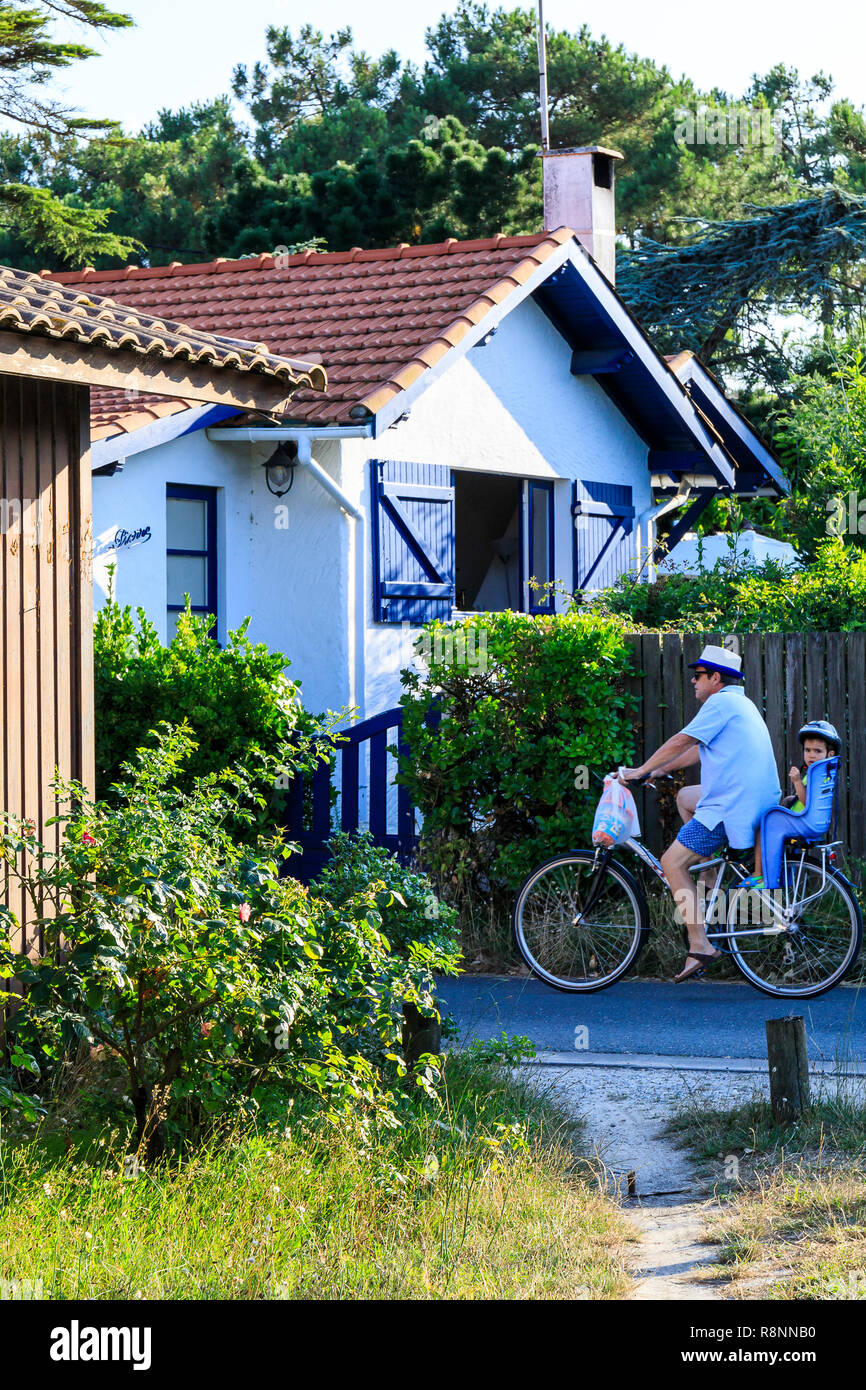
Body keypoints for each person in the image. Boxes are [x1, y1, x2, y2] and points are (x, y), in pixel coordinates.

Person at [618, 644, 781, 982]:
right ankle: (708, 874)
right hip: (751, 798)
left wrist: (638, 771)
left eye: (698, 675)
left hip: (732, 805)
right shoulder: (740, 703)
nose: (693, 681)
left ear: (716, 678)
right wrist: (657, 772)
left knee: (671, 862)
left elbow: (682, 740)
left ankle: (699, 943)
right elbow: (696, 751)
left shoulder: (720, 703)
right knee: (685, 797)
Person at [740, 720, 841, 888]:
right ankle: (786, 884)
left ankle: (761, 876)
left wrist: (796, 781)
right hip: (813, 822)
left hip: (804, 821)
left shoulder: (817, 773)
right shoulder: (823, 772)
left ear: (830, 754)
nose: (811, 755)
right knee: (780, 809)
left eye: (817, 751)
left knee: (767, 820)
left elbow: (807, 802)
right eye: (807, 750)